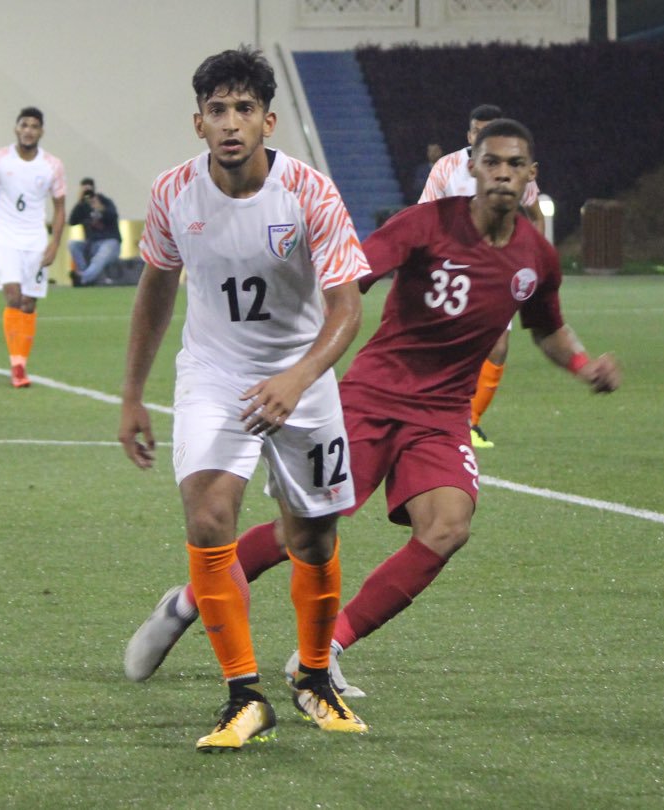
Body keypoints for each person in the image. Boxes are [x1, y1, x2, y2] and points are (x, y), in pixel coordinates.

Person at [124, 118, 621, 702]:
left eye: (515, 165)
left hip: (443, 415)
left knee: (447, 528)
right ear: (473, 168)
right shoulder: (426, 224)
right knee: (299, 533)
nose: (503, 174)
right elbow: (350, 278)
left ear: (531, 176)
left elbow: (548, 327)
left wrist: (584, 365)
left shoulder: (536, 257)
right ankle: (186, 601)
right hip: (373, 396)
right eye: (492, 163)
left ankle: (327, 649)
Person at [118, 45, 370, 753]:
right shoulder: (173, 193)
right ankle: (243, 695)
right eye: (218, 110)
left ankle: (315, 678)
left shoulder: (310, 192)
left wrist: (298, 378)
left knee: (311, 538)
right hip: (215, 376)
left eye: (244, 110)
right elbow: (157, 288)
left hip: (303, 374)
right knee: (207, 516)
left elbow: (347, 308)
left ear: (269, 121)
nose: (231, 123)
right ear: (198, 123)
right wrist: (133, 394)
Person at [420, 104, 546, 449]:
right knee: (446, 347)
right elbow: (423, 214)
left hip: (497, 269)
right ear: (470, 136)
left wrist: (530, 255)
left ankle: (470, 423)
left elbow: (534, 214)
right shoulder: (447, 167)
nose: (484, 137)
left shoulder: (511, 168)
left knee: (499, 346)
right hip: (452, 271)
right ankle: (433, 416)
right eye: (478, 131)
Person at [0, 107, 66, 388]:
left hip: (35, 241)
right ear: (16, 128)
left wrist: (54, 244)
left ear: (41, 131)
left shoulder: (52, 165)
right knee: (13, 296)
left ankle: (21, 362)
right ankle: (17, 367)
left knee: (29, 303)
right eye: (24, 125)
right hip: (5, 239)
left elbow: (60, 208)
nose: (28, 130)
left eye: (34, 126)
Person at [67, 177, 122, 287]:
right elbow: (72, 221)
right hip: (91, 244)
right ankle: (85, 275)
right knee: (72, 244)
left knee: (100, 256)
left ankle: (83, 278)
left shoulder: (105, 201)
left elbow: (114, 216)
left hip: (110, 242)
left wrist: (101, 208)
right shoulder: (82, 206)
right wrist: (79, 202)